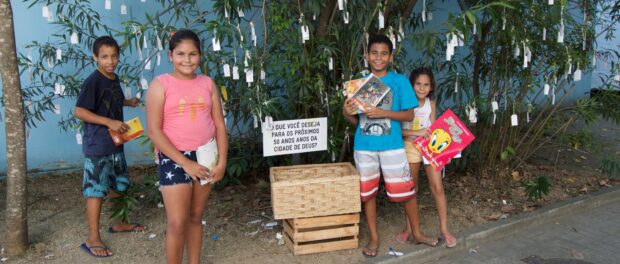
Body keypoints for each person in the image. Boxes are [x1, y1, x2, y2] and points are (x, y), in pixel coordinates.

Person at [342, 34, 435, 258]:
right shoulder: (360, 84)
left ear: (390, 57)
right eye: (374, 53)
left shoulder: (400, 81)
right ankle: (374, 237)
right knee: (368, 193)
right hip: (364, 146)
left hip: (393, 145)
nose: (378, 57)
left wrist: (383, 113)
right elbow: (357, 122)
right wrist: (347, 111)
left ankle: (417, 233)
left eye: (384, 53)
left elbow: (409, 114)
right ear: (366, 55)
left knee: (407, 190)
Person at [145, 29, 228, 264]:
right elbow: (154, 130)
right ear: (170, 55)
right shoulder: (160, 85)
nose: (187, 60)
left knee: (195, 216)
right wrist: (186, 163)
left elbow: (220, 125)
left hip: (205, 156)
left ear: (200, 56)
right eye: (180, 54)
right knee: (177, 222)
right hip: (174, 159)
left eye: (192, 54)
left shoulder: (207, 84)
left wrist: (221, 161)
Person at [74, 36, 146, 258]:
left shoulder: (113, 78)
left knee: (119, 183)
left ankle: (119, 223)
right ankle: (92, 238)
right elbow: (80, 111)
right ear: (95, 57)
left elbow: (109, 101)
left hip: (116, 142)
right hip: (98, 145)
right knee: (96, 190)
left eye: (114, 56)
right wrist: (109, 122)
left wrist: (128, 102)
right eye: (104, 56)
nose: (110, 61)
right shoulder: (93, 80)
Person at [396, 67, 457, 248]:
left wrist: (446, 151)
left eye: (426, 85)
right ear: (411, 85)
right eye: (418, 84)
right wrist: (417, 132)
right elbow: (398, 131)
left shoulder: (431, 104)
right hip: (410, 146)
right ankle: (409, 229)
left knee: (437, 187)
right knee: (410, 190)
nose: (421, 88)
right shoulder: (404, 103)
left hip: (430, 146)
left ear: (431, 88)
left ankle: (444, 230)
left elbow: (435, 128)